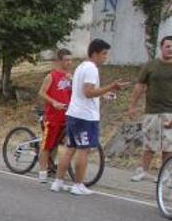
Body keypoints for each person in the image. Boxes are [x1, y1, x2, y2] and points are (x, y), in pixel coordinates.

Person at [51, 39, 128, 195]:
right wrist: (111, 86)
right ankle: (78, 184)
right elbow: (88, 92)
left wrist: (104, 93)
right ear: (95, 53)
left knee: (70, 149)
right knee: (83, 150)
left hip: (74, 113)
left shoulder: (81, 67)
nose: (106, 57)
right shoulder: (92, 69)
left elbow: (84, 91)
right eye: (104, 54)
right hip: (85, 116)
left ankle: (58, 182)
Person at [126, 35, 172, 181]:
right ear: (161, 48)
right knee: (149, 143)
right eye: (168, 46)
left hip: (169, 111)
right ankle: (143, 170)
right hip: (152, 111)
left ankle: (166, 173)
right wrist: (132, 105)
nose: (170, 49)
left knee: (168, 145)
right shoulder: (151, 65)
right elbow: (140, 86)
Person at [36, 49, 73, 183]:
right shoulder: (52, 76)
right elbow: (42, 92)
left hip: (66, 116)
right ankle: (42, 172)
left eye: (70, 60)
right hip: (53, 117)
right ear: (59, 61)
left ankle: (54, 166)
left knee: (60, 144)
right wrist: (53, 102)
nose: (69, 62)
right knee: (46, 145)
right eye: (66, 60)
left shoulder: (70, 77)